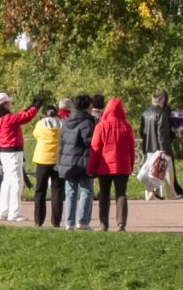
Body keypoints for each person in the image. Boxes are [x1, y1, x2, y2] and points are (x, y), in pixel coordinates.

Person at [87, 98, 135, 232]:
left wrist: (91, 168)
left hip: (105, 166)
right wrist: (131, 165)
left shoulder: (101, 126)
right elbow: (131, 149)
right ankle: (121, 224)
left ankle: (104, 224)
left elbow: (95, 149)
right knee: (121, 194)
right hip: (122, 166)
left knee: (104, 195)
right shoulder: (127, 126)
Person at [0, 93, 41, 222]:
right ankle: (14, 213)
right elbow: (24, 117)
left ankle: (3, 212)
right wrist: (35, 107)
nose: (10, 104)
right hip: (13, 153)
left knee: (7, 182)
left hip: (4, 152)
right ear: (4, 105)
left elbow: (20, 115)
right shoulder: (8, 119)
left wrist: (30, 106)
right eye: (8, 102)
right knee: (16, 182)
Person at [59, 95, 95, 230]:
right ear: (87, 107)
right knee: (86, 190)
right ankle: (82, 221)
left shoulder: (67, 121)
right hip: (83, 160)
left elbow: (61, 142)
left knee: (70, 191)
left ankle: (69, 222)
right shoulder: (87, 122)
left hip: (68, 162)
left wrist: (60, 162)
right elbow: (89, 141)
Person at [140, 91, 183, 200]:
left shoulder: (145, 113)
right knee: (168, 171)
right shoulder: (162, 113)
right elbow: (162, 133)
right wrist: (163, 149)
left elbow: (142, 131)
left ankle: (150, 195)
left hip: (149, 146)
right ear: (161, 101)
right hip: (161, 147)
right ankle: (171, 193)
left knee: (151, 171)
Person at [32, 105, 64, 228]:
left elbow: (36, 135)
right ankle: (56, 221)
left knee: (40, 190)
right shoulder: (61, 124)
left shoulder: (40, 125)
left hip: (42, 159)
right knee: (57, 191)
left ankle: (38, 220)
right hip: (57, 159)